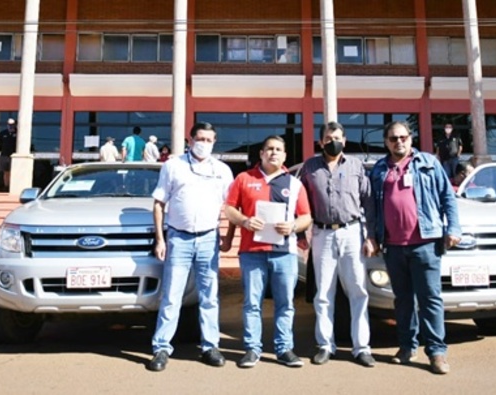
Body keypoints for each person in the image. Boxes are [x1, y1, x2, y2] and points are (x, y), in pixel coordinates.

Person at [369, 121, 461, 375]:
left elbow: (447, 198)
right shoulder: (378, 170)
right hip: (393, 246)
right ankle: (407, 346)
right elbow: (373, 209)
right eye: (393, 138)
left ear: (410, 139)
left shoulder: (429, 163)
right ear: (386, 142)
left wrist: (453, 228)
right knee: (403, 300)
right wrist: (372, 236)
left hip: (426, 242)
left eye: (403, 137)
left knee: (430, 298)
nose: (399, 141)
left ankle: (436, 351)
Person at [148, 122, 235, 372]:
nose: (204, 143)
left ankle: (210, 346)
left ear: (215, 142)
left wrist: (228, 236)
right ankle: (162, 347)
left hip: (209, 239)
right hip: (178, 238)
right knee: (171, 295)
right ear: (190, 139)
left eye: (209, 140)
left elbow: (230, 207)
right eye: (200, 138)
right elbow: (158, 203)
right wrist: (160, 239)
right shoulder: (173, 166)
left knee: (209, 296)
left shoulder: (222, 170)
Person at [225, 135, 312, 369]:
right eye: (269, 149)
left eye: (278, 149)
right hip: (252, 252)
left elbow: (306, 217)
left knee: (285, 303)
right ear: (261, 153)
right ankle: (252, 349)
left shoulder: (294, 184)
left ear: (284, 155)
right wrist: (244, 221)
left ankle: (284, 349)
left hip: (285, 253)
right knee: (252, 303)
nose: (273, 153)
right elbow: (229, 209)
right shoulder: (243, 179)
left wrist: (293, 226)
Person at [299, 121, 378, 368]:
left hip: (352, 232)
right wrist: (301, 234)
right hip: (322, 234)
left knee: (358, 290)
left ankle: (361, 347)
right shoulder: (309, 167)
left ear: (344, 140)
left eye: (338, 137)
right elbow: (301, 202)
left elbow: (369, 202)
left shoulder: (356, 165)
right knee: (323, 293)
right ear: (321, 141)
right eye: (328, 137)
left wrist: (371, 235)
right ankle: (325, 345)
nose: (333, 141)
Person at [0, 118, 17, 189]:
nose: (10, 126)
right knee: (6, 172)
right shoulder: (3, 133)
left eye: (12, 124)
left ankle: (14, 187)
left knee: (14, 172)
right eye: (9, 124)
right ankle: (6, 187)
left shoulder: (18, 133)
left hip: (15, 156)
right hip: (4, 155)